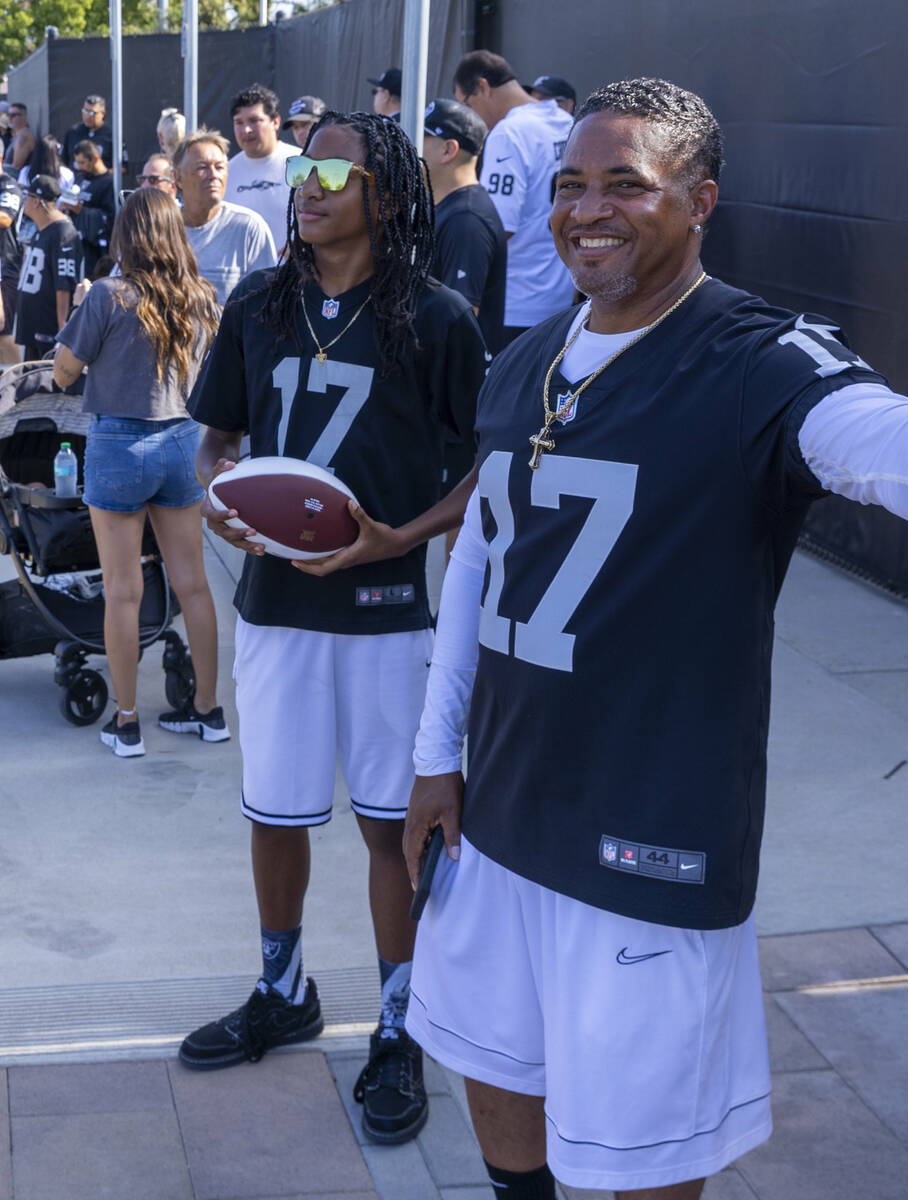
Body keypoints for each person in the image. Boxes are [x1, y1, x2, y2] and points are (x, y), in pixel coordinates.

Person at [400, 78, 908, 1200]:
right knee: (492, 1062)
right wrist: (433, 759)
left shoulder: (750, 354)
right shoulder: (524, 356)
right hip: (495, 811)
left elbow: (879, 430)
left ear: (698, 201)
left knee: (646, 1153)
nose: (586, 209)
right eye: (570, 185)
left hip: (644, 840)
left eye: (625, 186)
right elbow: (479, 571)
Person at [179, 110, 487, 1148]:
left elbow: (490, 466)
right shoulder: (258, 308)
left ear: (387, 198)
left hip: (387, 613)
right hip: (277, 611)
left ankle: (397, 1026)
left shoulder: (437, 317)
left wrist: (402, 534)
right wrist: (222, 496)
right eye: (301, 166)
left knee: (390, 826)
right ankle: (283, 988)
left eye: (332, 170)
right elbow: (215, 442)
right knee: (275, 812)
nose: (306, 184)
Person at [50, 189, 226, 757]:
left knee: (123, 592)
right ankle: (208, 710)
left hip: (119, 445)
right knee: (193, 584)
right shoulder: (201, 296)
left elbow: (62, 373)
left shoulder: (106, 295)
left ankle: (126, 723)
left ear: (127, 235)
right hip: (182, 441)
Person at [453, 50, 574, 341]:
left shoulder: (509, 133)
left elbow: (496, 227)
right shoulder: (565, 121)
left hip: (516, 303)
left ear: (482, 86)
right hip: (561, 296)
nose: (469, 116)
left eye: (466, 104)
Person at [424, 97, 507, 353]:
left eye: (420, 138)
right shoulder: (447, 207)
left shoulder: (466, 219)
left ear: (449, 150)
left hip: (452, 382)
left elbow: (459, 320)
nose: (409, 146)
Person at [174, 129, 277, 303]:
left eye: (220, 167)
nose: (214, 175)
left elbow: (266, 299)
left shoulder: (248, 228)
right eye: (202, 168)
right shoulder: (161, 227)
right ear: (178, 178)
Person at [224, 83, 300, 250]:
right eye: (239, 122)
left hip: (296, 272)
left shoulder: (301, 161)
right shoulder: (225, 173)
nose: (247, 130)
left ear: (276, 122)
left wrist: (302, 247)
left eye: (254, 120)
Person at [14, 175, 82, 360]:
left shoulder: (63, 232)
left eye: (26, 196)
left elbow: (64, 284)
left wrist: (62, 327)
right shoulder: (41, 229)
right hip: (32, 324)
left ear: (37, 201)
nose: (23, 200)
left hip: (48, 327)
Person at [68, 139, 116, 276]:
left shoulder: (109, 183)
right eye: (77, 162)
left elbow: (110, 217)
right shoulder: (82, 177)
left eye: (82, 163)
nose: (79, 167)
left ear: (95, 159)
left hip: (95, 251)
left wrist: (82, 211)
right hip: (76, 244)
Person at [0, 175, 23, 363]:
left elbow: (5, 218)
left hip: (5, 269)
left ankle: (14, 383)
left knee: (3, 332)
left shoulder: (8, 184)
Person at [62, 95, 112, 166]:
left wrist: (102, 174)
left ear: (102, 113)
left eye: (92, 113)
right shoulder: (72, 132)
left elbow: (123, 167)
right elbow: (62, 161)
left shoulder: (112, 136)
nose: (87, 116)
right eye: (85, 111)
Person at [2, 103, 34, 174]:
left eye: (13, 115)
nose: (9, 118)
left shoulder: (24, 136)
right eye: (8, 115)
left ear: (24, 117)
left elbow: (16, 168)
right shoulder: (17, 136)